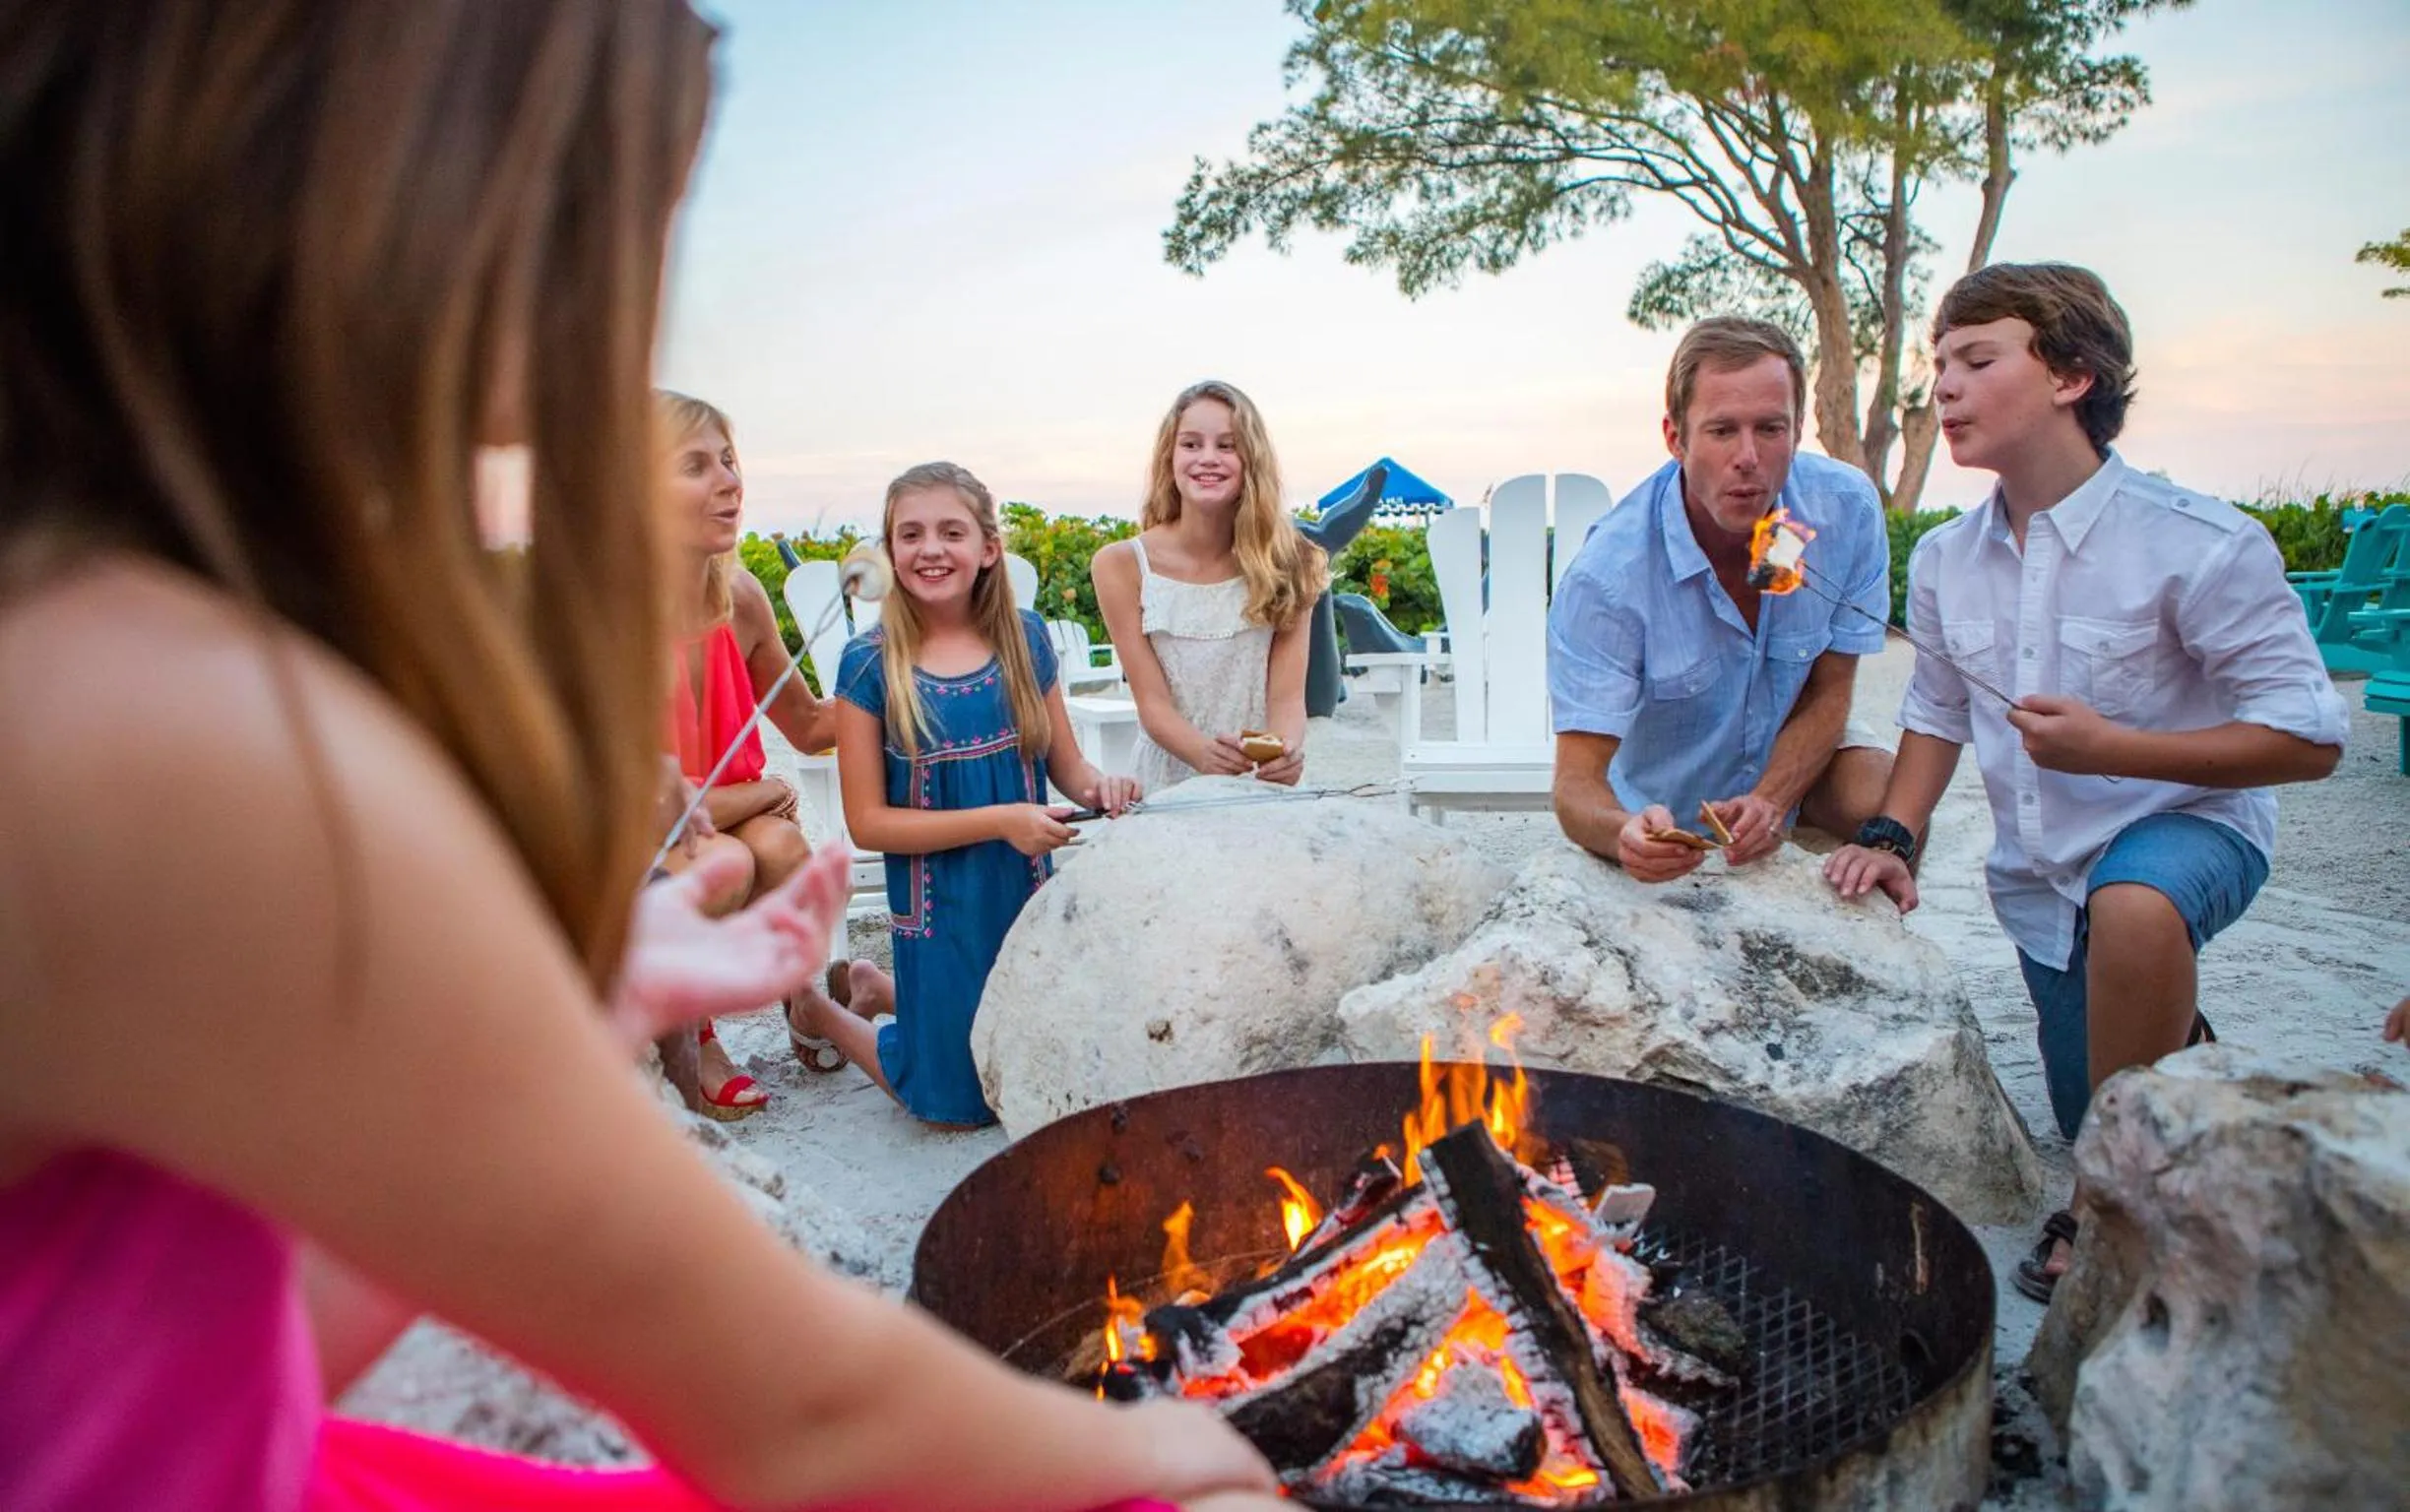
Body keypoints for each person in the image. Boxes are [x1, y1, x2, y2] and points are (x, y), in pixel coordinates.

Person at [0, 4, 1277, 1509]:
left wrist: (557, 1010)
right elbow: (808, 1419)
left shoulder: (90, 645)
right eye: (617, 216)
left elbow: (181, 1339)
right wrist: (1190, 1452)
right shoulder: (184, 739)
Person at [1819, 262, 2347, 1302]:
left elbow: (2311, 738)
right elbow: (1935, 715)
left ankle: (2101, 1207)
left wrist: (2114, 749)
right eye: (1939, 367)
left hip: (2188, 827)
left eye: (1976, 360)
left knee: (2134, 924)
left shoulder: (2199, 543)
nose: (1946, 390)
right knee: (2094, 1103)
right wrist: (1891, 836)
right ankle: (2178, 1052)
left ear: (2071, 375)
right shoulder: (1944, 563)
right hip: (2039, 875)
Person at [789, 463, 1140, 1128]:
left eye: (952, 532)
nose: (931, 549)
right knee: (954, 1105)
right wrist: (1000, 820)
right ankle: (822, 1012)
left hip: (1023, 890)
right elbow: (866, 822)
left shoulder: (1026, 638)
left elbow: (1069, 768)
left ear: (988, 548)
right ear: (889, 553)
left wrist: (1105, 786)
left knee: (1030, 1069)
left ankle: (875, 987)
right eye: (910, 534)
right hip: (936, 904)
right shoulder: (868, 664)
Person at [1549, 318, 1896, 880]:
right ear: (1674, 437)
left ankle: (1884, 948)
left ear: (1798, 429)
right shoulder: (1608, 579)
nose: (1749, 457)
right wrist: (1622, 834)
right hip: (1670, 805)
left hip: (1801, 762)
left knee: (1889, 803)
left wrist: (1771, 799)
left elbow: (1832, 693)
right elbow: (1575, 784)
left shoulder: (1844, 509)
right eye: (1721, 431)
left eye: (1769, 428)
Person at [654, 390, 852, 1117]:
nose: (729, 481)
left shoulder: (739, 597)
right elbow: (659, 807)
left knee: (783, 849)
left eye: (730, 460)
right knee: (728, 862)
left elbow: (806, 726)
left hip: (717, 817)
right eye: (695, 465)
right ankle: (696, 1039)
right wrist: (766, 793)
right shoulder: (610, 610)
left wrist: (891, 685)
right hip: (640, 840)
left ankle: (800, 1000)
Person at [1092, 380, 1326, 793]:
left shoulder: (1294, 561)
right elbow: (1153, 705)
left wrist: (1282, 752)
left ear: (1251, 458)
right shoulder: (1122, 565)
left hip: (1257, 779)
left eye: (1227, 445)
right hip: (1167, 776)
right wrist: (1203, 755)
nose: (1208, 459)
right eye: (1191, 444)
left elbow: (1287, 700)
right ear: (1169, 457)